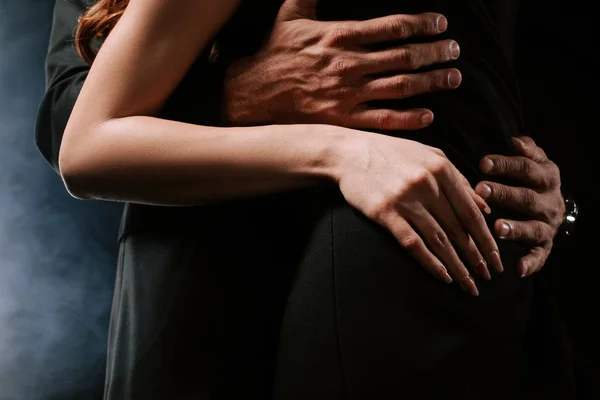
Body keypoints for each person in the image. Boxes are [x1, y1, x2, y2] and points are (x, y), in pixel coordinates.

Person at [35, 0, 575, 399]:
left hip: (440, 270)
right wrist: (320, 138)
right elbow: (77, 129)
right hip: (208, 266)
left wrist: (552, 193)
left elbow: (518, 81)